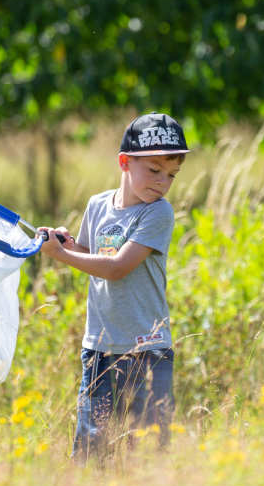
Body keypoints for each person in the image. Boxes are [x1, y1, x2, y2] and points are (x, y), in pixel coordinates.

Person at [39, 113, 189, 463]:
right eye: (154, 170)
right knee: (93, 450)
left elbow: (118, 267)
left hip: (147, 351)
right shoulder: (97, 205)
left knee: (146, 452)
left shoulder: (158, 213)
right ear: (125, 162)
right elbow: (91, 255)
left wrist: (60, 256)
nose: (163, 183)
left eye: (171, 175)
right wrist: (65, 243)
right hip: (100, 350)